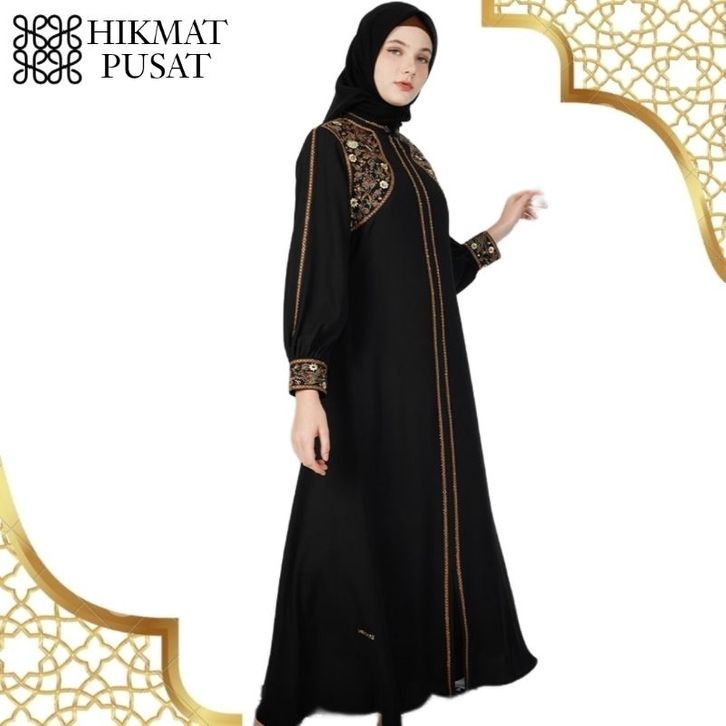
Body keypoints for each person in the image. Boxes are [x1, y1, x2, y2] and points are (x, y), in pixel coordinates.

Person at [254, 3, 544, 725]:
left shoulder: (412, 157)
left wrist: (498, 230)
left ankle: (425, 663)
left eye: (424, 58)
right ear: (366, 54)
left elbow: (430, 271)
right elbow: (316, 266)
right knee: (348, 523)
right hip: (368, 381)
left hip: (434, 385)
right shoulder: (330, 145)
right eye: (396, 50)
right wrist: (308, 388)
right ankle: (331, 682)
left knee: (422, 514)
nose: (410, 68)